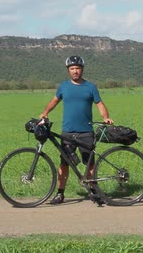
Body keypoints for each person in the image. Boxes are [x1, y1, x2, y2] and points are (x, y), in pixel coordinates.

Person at [39, 55, 114, 205]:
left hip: (86, 132)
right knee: (64, 164)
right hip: (67, 132)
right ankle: (60, 194)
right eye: (72, 68)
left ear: (82, 70)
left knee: (90, 164)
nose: (75, 71)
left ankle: (94, 192)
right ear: (68, 70)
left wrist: (106, 117)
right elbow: (54, 101)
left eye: (77, 68)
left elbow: (99, 104)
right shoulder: (63, 86)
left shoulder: (91, 87)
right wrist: (45, 113)